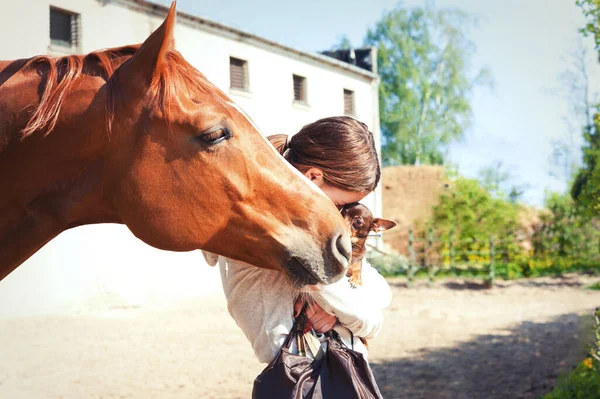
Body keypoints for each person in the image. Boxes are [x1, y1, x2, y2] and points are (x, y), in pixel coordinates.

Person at [203, 116, 392, 363]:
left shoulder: (279, 215)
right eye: (340, 205)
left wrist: (338, 313)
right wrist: (363, 317)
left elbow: (382, 289)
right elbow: (365, 319)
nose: (339, 218)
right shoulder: (279, 229)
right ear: (313, 177)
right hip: (306, 370)